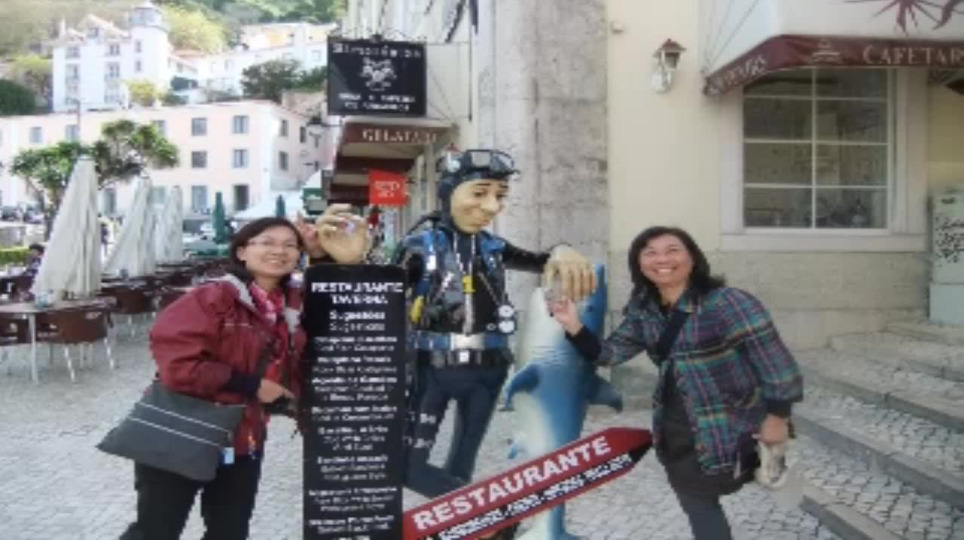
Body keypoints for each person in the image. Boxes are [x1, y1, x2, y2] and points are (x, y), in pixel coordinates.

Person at [551, 226, 803, 540]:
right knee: (695, 499)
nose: (662, 260)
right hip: (674, 424)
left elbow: (778, 366)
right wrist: (573, 324)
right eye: (650, 253)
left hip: (725, 423)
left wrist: (778, 419)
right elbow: (609, 354)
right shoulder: (645, 311)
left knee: (700, 499)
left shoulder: (729, 303)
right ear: (639, 264)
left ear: (692, 258)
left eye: (673, 250)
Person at [119, 214, 355, 540]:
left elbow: (336, 303)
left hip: (245, 437)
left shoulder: (292, 302)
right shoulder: (212, 297)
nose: (279, 251)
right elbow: (178, 366)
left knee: (230, 531)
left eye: (290, 245)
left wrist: (320, 255)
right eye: (267, 242)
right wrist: (252, 385)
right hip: (183, 429)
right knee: (156, 531)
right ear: (242, 251)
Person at [390, 149, 597, 500]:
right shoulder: (418, 246)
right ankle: (482, 509)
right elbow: (381, 297)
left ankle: (462, 517)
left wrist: (562, 249)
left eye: (500, 195)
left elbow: (539, 261)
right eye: (479, 193)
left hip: (489, 367)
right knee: (409, 466)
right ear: (449, 192)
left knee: (462, 463)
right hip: (431, 366)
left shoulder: (495, 247)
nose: (491, 207)